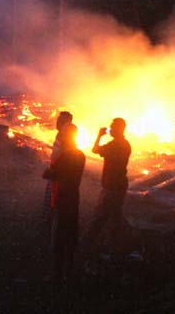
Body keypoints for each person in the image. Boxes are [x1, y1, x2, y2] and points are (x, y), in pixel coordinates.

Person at [43, 123, 85, 281]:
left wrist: (49, 168)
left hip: (61, 198)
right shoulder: (80, 155)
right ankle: (70, 270)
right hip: (74, 197)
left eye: (62, 134)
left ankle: (57, 275)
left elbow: (48, 174)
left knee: (58, 237)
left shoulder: (65, 156)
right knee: (71, 235)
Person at [84, 117, 131, 256]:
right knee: (115, 216)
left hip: (111, 185)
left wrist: (99, 136)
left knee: (100, 216)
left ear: (119, 129)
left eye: (113, 127)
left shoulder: (115, 145)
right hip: (120, 184)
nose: (110, 129)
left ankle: (86, 246)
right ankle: (113, 247)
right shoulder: (125, 144)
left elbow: (94, 149)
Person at [42, 112, 73, 239]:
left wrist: (53, 171)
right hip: (54, 173)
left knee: (56, 201)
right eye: (58, 120)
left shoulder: (68, 141)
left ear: (67, 124)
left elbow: (66, 161)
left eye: (60, 121)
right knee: (50, 199)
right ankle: (49, 223)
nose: (57, 123)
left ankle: (55, 230)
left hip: (58, 177)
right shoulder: (59, 135)